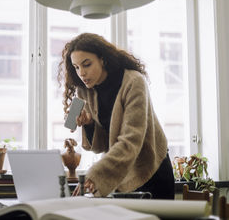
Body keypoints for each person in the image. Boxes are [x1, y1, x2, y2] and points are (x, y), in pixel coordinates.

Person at [58, 33, 175, 199]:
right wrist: (89, 124)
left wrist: (95, 173)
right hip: (122, 171)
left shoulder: (134, 82)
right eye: (76, 67)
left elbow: (131, 140)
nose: (81, 73)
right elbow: (97, 142)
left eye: (86, 64)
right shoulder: (83, 90)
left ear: (103, 60)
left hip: (151, 169)